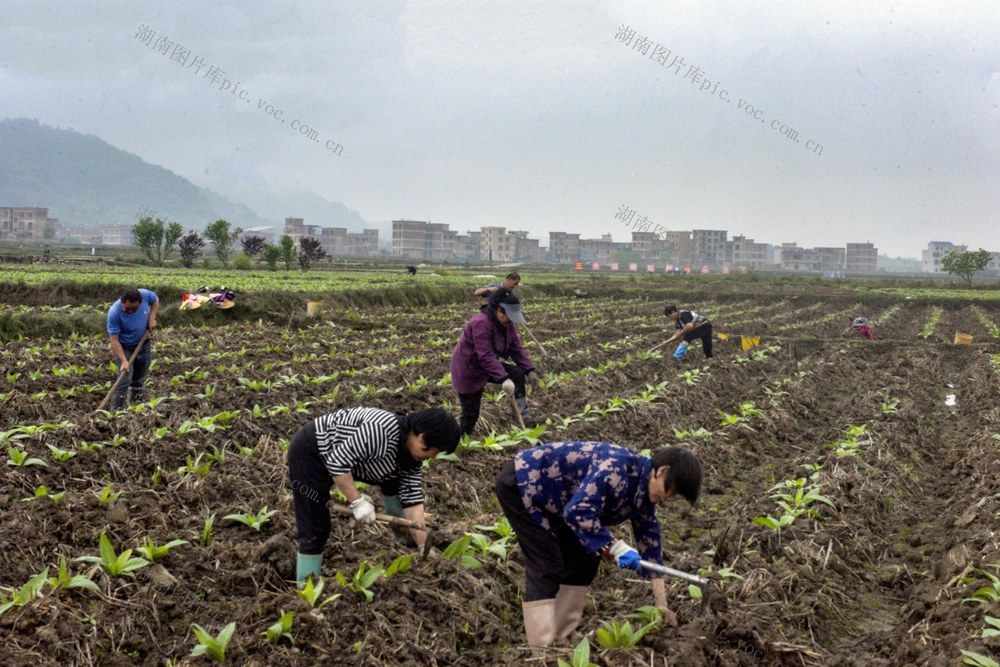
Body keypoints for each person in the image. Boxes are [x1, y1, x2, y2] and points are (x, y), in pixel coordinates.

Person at [495, 442, 702, 647]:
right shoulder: (617, 468)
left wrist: (662, 605)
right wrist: (615, 547)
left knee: (585, 559)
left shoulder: (646, 499)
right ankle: (541, 649)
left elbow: (652, 551)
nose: (668, 499)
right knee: (546, 563)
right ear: (661, 471)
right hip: (524, 484)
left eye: (675, 497)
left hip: (559, 500)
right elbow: (578, 512)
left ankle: (563, 636)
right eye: (671, 490)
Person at [287, 406, 461, 586]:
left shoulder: (412, 457)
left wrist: (424, 546)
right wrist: (357, 502)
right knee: (316, 524)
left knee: (397, 486)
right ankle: (305, 589)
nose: (433, 457)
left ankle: (406, 543)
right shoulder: (380, 431)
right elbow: (337, 463)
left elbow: (412, 499)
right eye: (434, 450)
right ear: (422, 437)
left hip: (357, 461)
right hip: (312, 453)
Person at [450, 287, 535, 434]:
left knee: (517, 373)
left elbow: (516, 347)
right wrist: (503, 378)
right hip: (468, 368)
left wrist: (529, 369)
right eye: (508, 315)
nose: (510, 320)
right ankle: (461, 441)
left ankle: (523, 416)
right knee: (471, 413)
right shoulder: (481, 323)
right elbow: (485, 355)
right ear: (497, 310)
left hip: (485, 366)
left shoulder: (506, 324)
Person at [106, 287, 158, 409]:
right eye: (127, 309)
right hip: (125, 347)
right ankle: (115, 412)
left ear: (140, 303)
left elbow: (155, 300)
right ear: (122, 302)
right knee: (123, 380)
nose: (130, 312)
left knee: (140, 377)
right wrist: (124, 361)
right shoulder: (114, 313)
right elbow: (114, 340)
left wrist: (152, 317)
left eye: (134, 309)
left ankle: (136, 406)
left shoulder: (145, 295)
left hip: (143, 343)